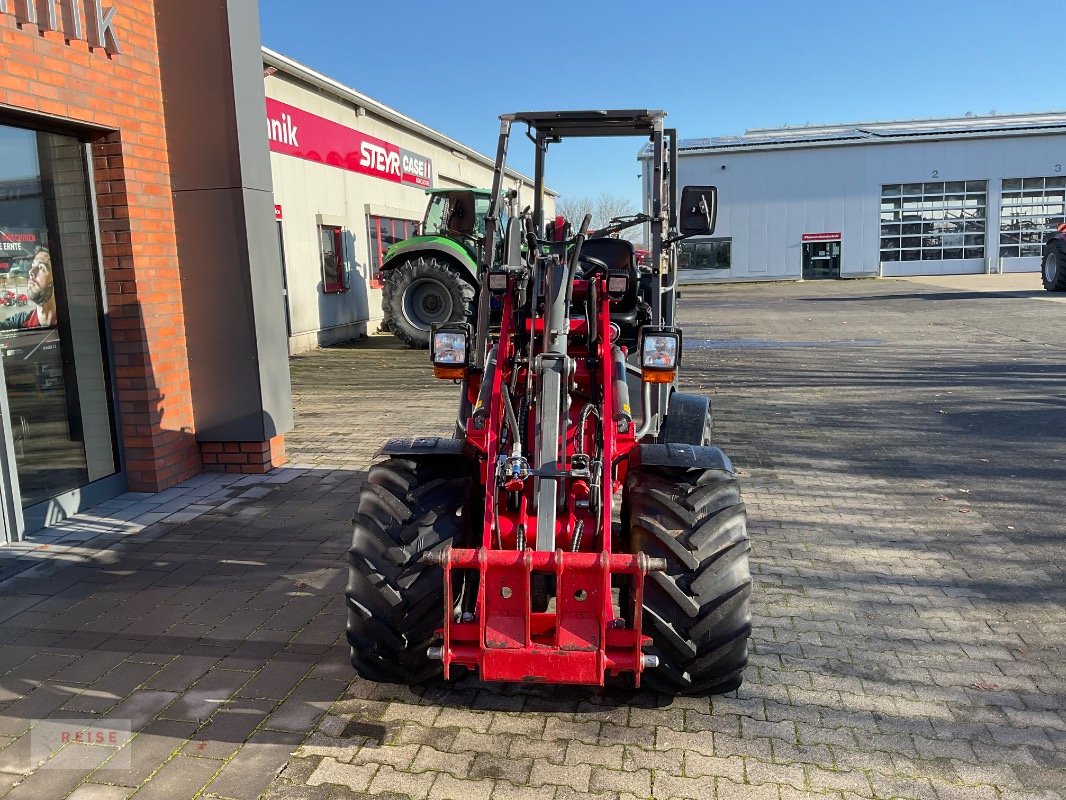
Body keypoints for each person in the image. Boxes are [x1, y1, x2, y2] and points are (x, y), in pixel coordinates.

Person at [0, 248, 57, 330]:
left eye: (41, 268)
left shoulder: (73, 321)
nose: (31, 271)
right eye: (33, 266)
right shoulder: (19, 322)